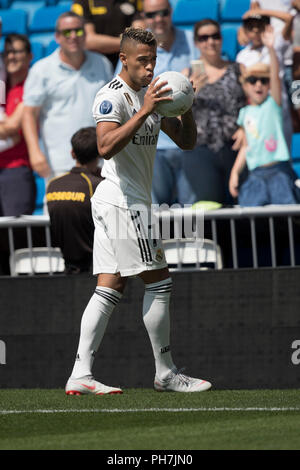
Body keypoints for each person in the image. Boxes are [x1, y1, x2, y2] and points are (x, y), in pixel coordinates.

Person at [65, 27, 212, 395]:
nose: (150, 68)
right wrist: (146, 108)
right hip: (123, 202)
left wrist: (185, 105)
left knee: (109, 288)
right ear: (124, 59)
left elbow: (188, 142)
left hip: (127, 201)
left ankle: (80, 374)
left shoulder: (153, 95)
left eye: (154, 61)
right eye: (143, 61)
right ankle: (165, 372)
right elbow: (105, 146)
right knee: (160, 283)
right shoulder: (111, 96)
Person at [22, 11, 113, 181]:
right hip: (60, 162)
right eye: (66, 32)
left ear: (85, 34)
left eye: (78, 31)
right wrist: (34, 152)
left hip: (100, 161)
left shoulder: (102, 63)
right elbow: (29, 113)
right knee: (60, 208)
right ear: (57, 37)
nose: (73, 36)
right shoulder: (41, 70)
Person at [229, 27, 300, 206]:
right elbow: (246, 147)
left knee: (286, 221)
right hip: (255, 174)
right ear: (245, 86)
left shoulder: (273, 104)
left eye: (264, 80)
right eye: (253, 81)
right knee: (255, 223)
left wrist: (271, 49)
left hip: (279, 171)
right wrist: (235, 173)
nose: (258, 84)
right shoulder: (244, 113)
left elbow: (276, 77)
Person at [179, 19, 247, 206]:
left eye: (215, 36)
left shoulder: (238, 69)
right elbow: (176, 118)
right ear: (196, 43)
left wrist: (244, 127)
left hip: (234, 148)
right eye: (204, 38)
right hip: (201, 151)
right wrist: (191, 95)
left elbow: (255, 103)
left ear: (221, 39)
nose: (210, 42)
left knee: (238, 208)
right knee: (210, 208)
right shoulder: (187, 74)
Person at [138, 0, 199, 206]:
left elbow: (215, 72)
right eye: (151, 15)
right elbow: (127, 91)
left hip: (191, 140)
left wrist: (199, 80)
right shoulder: (137, 51)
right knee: (157, 215)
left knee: (190, 217)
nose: (158, 19)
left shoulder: (193, 41)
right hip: (154, 143)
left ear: (171, 12)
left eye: (163, 13)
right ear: (144, 18)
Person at [46, 127, 103, 274]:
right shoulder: (97, 184)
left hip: (66, 265)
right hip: (96, 266)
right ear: (99, 153)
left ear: (72, 153)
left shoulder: (53, 184)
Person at [236, 10, 294, 148]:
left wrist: (261, 11)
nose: (256, 31)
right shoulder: (243, 55)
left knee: (282, 151)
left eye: (260, 26)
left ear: (267, 28)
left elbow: (289, 18)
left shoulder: (276, 43)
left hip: (278, 107)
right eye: (250, 27)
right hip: (256, 111)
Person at [0, 34, 36, 217]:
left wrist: (7, 128)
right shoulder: (2, 86)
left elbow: (12, 128)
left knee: (16, 238)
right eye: (7, 52)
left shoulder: (32, 86)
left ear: (30, 56)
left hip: (16, 171)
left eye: (17, 51)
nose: (11, 56)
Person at [71, 0, 141, 68]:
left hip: (126, 62)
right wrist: (128, 43)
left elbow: (139, 35)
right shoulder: (84, 1)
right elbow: (88, 41)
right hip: (95, 65)